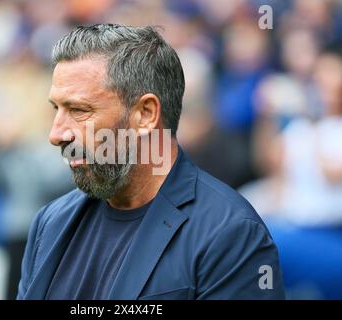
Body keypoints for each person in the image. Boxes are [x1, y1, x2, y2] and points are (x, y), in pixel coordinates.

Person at [17, 24, 285, 300]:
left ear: (145, 114)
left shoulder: (229, 234)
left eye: (79, 110)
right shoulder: (50, 224)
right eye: (56, 109)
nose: (56, 134)